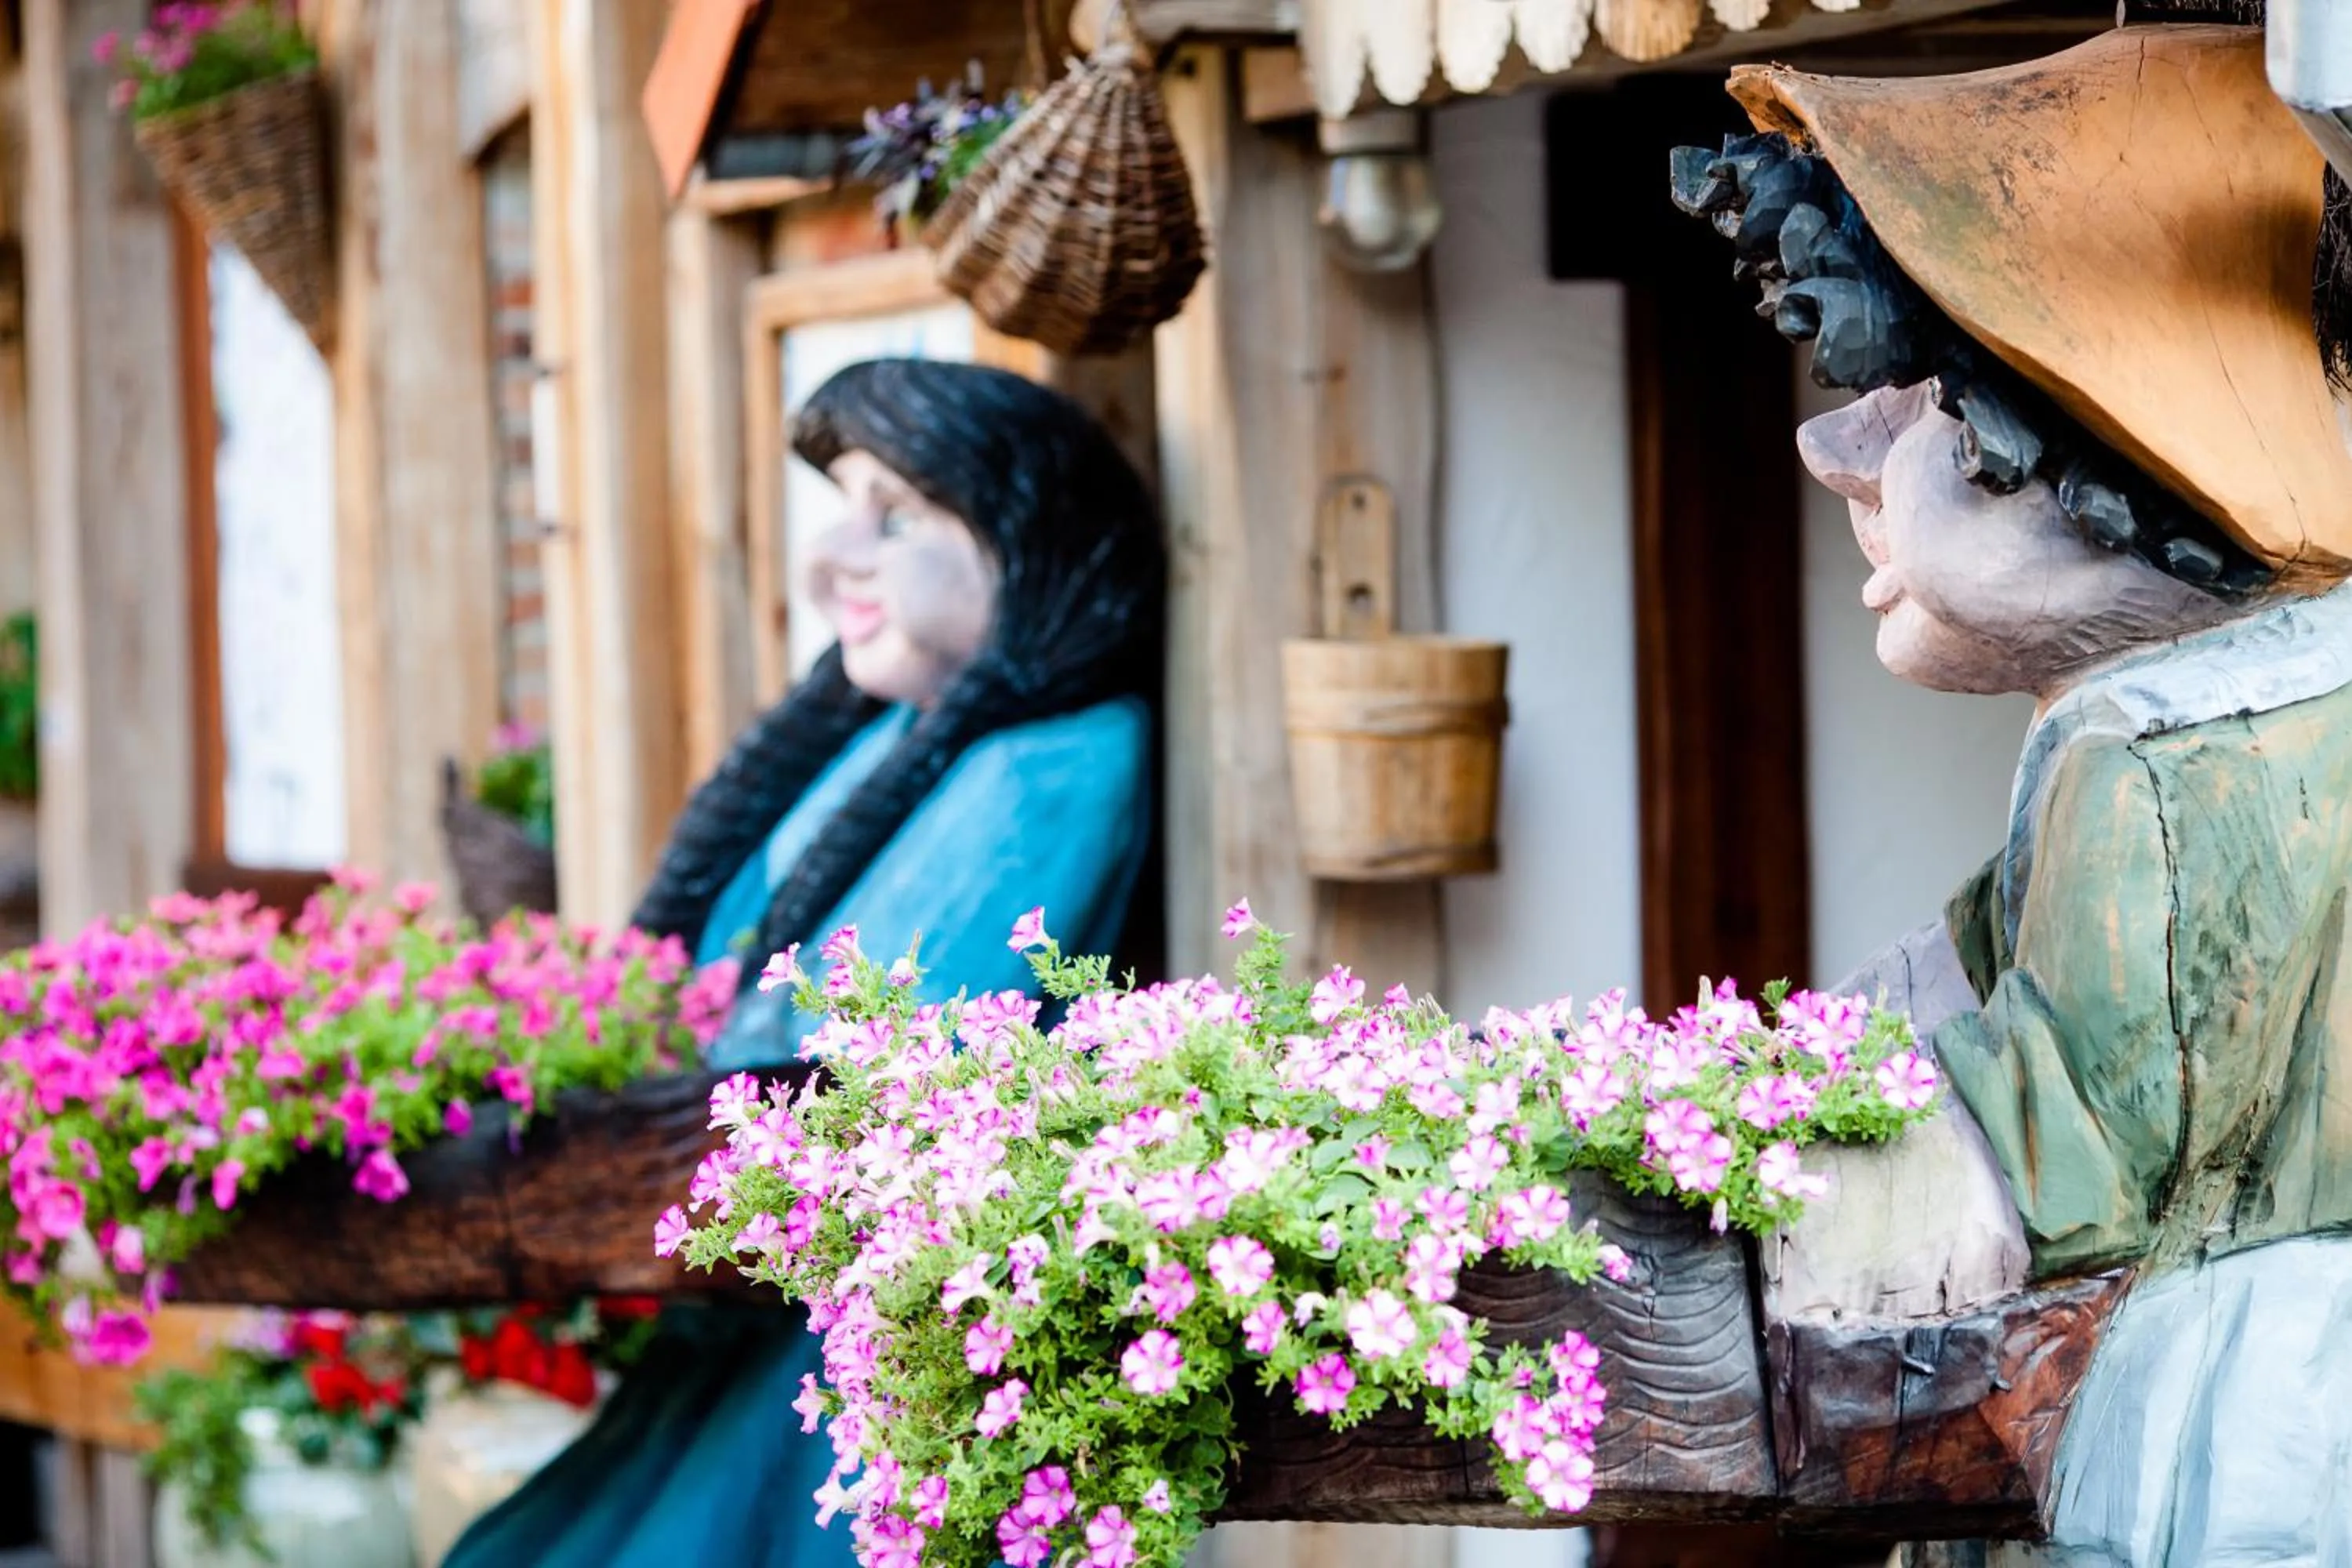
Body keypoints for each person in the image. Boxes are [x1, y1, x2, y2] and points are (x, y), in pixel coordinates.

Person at [1679, 22, 2352, 1566]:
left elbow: (2039, 1174)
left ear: (2094, 434)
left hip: (2236, 1446)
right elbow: (1949, 983)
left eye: (1908, 391)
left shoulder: (2152, 751)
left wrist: (1712, 1231)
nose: (1835, 444)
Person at [445, 358, 1164, 1568]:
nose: (841, 554)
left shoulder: (1060, 762)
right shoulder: (897, 737)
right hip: (757, 1286)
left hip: (866, 1321)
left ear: (1024, 543)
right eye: (844, 507)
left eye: (898, 516)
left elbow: (915, 1033)